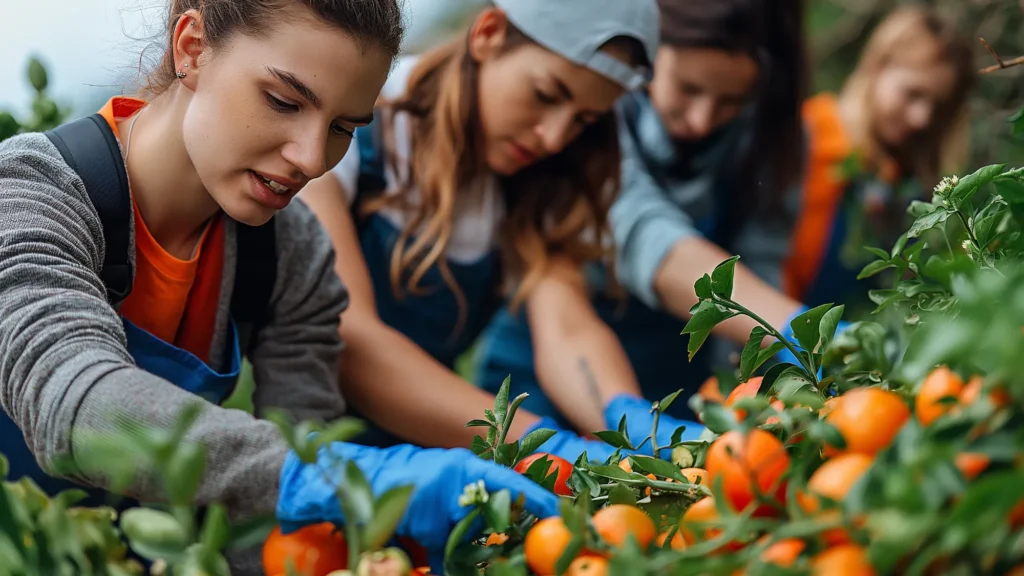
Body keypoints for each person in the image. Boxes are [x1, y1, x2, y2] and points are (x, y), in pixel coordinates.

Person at [0, 0, 559, 573]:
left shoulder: (290, 253)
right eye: (283, 101)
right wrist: (335, 478)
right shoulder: (29, 196)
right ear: (192, 47)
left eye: (343, 128)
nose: (312, 158)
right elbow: (71, 404)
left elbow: (272, 514)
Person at [299, 0, 706, 457]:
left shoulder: (532, 181)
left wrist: (628, 421)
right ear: (488, 34)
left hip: (426, 457)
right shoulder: (348, 129)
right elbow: (351, 341)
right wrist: (542, 442)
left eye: (582, 120)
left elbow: (567, 329)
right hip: (300, 455)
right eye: (546, 95)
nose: (553, 137)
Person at [475, 0, 820, 429]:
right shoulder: (594, 112)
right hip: (542, 375)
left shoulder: (773, 140)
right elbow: (640, 230)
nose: (700, 120)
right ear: (654, 55)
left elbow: (763, 265)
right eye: (688, 89)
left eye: (732, 101)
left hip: (670, 383)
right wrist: (793, 327)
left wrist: (757, 383)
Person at [783, 6, 975, 310]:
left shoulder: (913, 185)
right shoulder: (807, 138)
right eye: (912, 94)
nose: (922, 118)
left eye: (939, 107)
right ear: (878, 67)